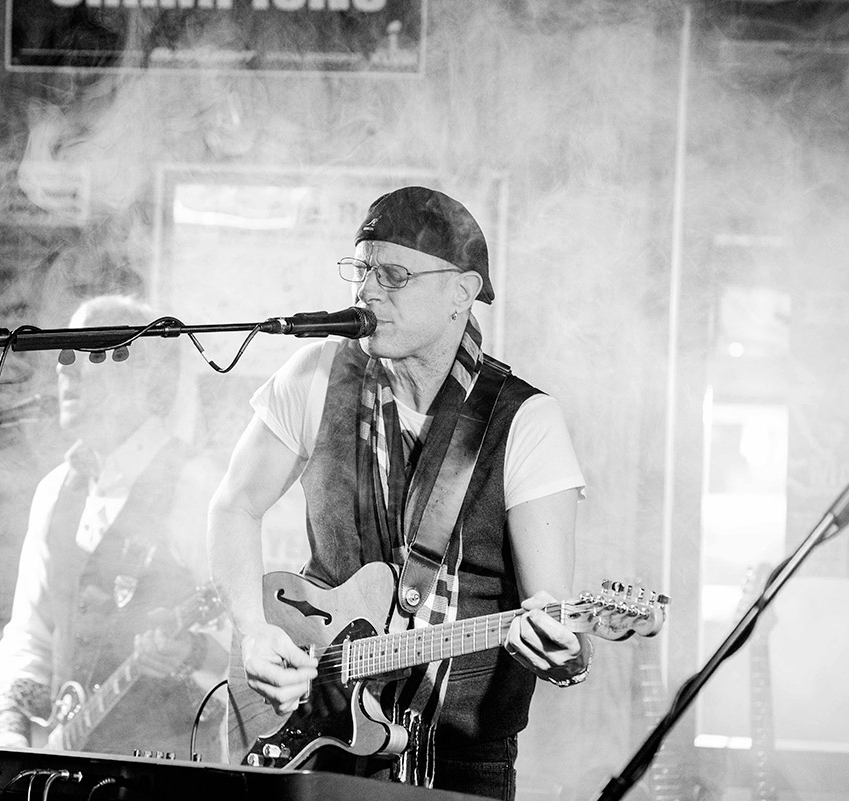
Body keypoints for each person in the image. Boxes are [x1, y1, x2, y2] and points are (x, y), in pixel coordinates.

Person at [207, 187, 589, 800]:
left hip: (458, 766)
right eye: (362, 271)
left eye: (393, 275)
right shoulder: (316, 375)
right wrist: (254, 630)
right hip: (316, 743)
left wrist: (566, 654)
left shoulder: (525, 421)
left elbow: (552, 611)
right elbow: (234, 505)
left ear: (462, 292)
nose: (367, 291)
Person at [0, 294, 227, 759]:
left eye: (89, 352)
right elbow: (31, 634)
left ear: (146, 373)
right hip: (68, 762)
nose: (65, 367)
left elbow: (245, 638)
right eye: (65, 353)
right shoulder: (56, 489)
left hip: (168, 766)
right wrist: (10, 733)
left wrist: (193, 652)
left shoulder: (196, 484)